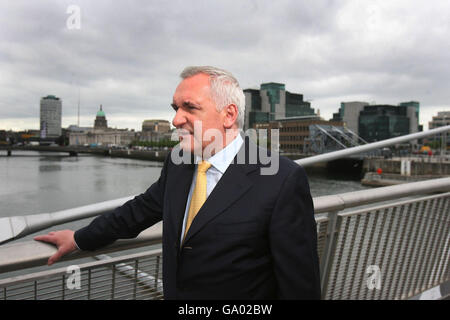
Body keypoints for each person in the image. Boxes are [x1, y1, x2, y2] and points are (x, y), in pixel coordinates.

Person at [34, 66, 321, 300]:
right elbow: (138, 211)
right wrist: (78, 238)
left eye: (189, 108)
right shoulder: (179, 162)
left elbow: (299, 285)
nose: (175, 119)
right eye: (174, 107)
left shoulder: (281, 178)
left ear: (229, 115)